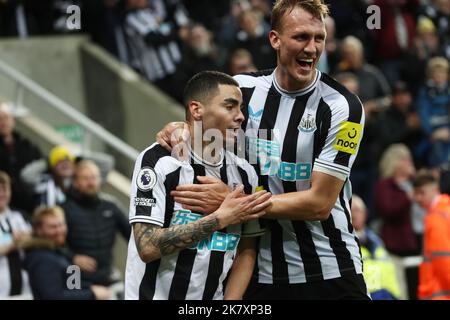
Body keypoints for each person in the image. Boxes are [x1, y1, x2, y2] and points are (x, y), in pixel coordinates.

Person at [157, 0, 368, 300]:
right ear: (275, 39)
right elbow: (203, 123)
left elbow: (320, 203)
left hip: (330, 269)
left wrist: (235, 204)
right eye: (301, 37)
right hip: (258, 274)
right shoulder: (243, 90)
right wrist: (179, 127)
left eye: (318, 38)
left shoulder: (342, 106)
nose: (311, 48)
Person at [125, 71, 272, 300]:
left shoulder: (245, 173)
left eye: (240, 108)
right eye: (230, 106)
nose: (241, 116)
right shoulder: (160, 161)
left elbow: (246, 250)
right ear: (196, 110)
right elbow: (148, 247)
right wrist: (221, 218)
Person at [61, 160, 131, 286]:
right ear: (75, 182)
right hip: (74, 277)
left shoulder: (111, 206)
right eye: (85, 178)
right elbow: (50, 243)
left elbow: (134, 235)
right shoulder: (63, 209)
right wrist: (73, 258)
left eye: (94, 177)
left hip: (106, 276)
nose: (91, 182)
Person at [24, 206, 111, 300]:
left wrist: (89, 288)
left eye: (61, 225)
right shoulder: (42, 258)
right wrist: (92, 294)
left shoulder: (59, 252)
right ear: (39, 230)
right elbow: (52, 296)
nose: (59, 230)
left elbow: (73, 287)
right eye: (53, 227)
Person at [352, 195, 401, 300]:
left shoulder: (376, 241)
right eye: (350, 210)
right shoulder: (344, 242)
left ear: (365, 214)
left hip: (388, 295)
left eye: (357, 210)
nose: (353, 214)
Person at [413, 171, 450, 300]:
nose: (418, 198)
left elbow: (443, 259)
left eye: (422, 193)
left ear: (435, 189)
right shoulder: (445, 210)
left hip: (440, 293)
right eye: (415, 193)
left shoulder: (436, 217)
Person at [0, 171, 32, 298]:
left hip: (26, 289)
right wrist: (13, 241)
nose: (2, 194)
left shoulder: (20, 216)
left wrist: (25, 238)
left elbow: (34, 238)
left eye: (5, 189)